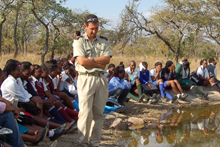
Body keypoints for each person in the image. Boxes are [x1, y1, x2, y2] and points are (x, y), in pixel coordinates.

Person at [73, 14, 112, 147]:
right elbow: (81, 61)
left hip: (101, 79)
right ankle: (82, 142)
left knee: (98, 114)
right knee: (85, 113)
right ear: (85, 27)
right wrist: (97, 62)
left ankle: (94, 142)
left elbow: (107, 60)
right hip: (85, 79)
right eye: (91, 29)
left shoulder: (103, 41)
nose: (94, 31)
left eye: (96, 28)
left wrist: (90, 60)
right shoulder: (79, 41)